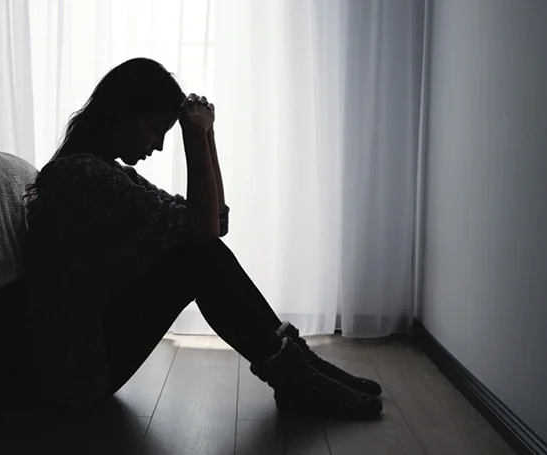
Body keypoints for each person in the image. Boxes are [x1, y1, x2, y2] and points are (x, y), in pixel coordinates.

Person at [19, 57, 383, 419]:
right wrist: (193, 137)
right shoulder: (84, 176)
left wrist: (207, 137)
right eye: (155, 128)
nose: (159, 145)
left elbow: (214, 222)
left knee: (199, 251)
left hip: (88, 360)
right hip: (77, 374)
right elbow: (204, 231)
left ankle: (300, 370)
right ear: (125, 114)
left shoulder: (107, 173)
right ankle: (298, 376)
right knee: (197, 257)